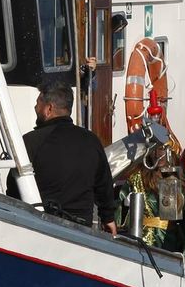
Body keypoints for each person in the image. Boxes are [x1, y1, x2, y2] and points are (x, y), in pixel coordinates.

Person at [19, 81, 117, 232]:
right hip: (82, 229)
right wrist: (108, 218)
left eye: (38, 103)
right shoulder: (91, 140)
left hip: (42, 228)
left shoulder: (31, 142)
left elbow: (15, 188)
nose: (35, 108)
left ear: (49, 109)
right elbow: (104, 184)